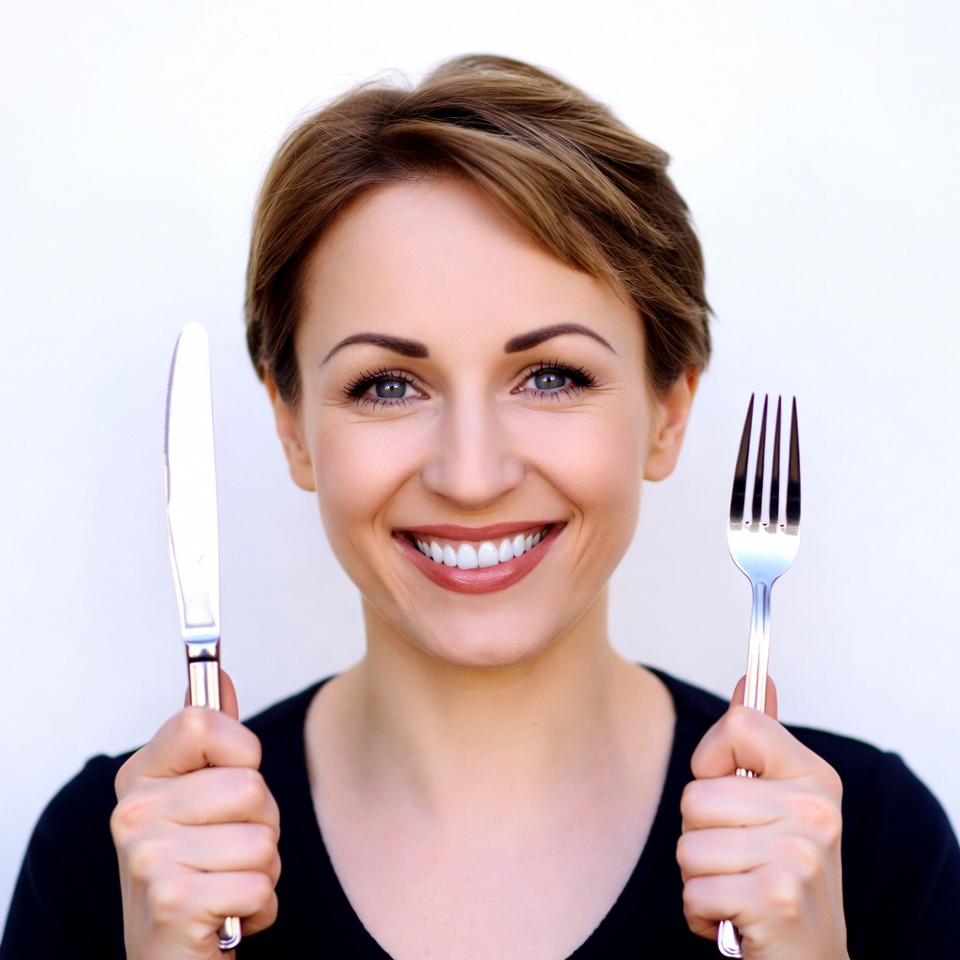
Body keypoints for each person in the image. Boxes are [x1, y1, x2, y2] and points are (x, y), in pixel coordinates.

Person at [3, 54, 958, 960]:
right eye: (387, 386)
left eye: (551, 376)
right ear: (292, 428)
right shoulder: (111, 859)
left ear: (668, 414)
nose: (471, 475)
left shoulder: (868, 848)